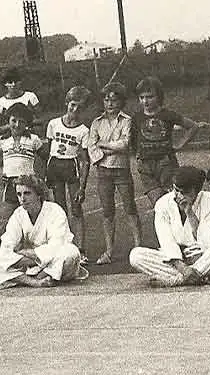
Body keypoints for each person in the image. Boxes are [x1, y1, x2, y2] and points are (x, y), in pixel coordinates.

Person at [130, 166, 210, 286]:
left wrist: (189, 212)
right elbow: (166, 241)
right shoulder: (163, 204)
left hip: (204, 256)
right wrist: (183, 267)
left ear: (197, 191)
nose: (179, 196)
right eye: (176, 190)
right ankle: (199, 275)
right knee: (136, 256)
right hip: (178, 260)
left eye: (184, 192)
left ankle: (176, 280)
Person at [0, 175, 87, 289]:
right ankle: (34, 282)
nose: (22, 199)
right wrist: (26, 259)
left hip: (54, 263)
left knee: (71, 252)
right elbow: (6, 247)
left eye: (27, 193)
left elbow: (56, 247)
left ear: (38, 195)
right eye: (19, 194)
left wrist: (28, 253)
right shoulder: (18, 214)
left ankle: (25, 278)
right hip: (27, 264)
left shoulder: (55, 211)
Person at [88, 81, 142, 264]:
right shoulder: (96, 122)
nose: (110, 103)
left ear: (121, 102)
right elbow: (91, 147)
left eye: (114, 100)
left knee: (130, 207)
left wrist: (105, 146)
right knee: (107, 211)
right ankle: (109, 251)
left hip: (121, 169)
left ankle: (138, 247)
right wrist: (109, 149)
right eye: (106, 99)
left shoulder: (126, 120)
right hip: (103, 171)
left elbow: (125, 144)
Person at [131, 76, 199, 206]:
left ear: (159, 97)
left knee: (174, 202)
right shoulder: (136, 118)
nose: (145, 101)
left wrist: (180, 144)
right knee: (159, 205)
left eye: (150, 97)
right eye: (142, 97)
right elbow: (133, 139)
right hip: (146, 166)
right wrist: (138, 156)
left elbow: (193, 126)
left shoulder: (168, 114)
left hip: (166, 164)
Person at [45, 86, 92, 265]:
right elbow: (47, 151)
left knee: (76, 209)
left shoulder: (83, 131)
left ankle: (81, 250)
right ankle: (63, 248)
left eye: (80, 107)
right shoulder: (53, 124)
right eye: (72, 105)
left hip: (71, 167)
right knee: (59, 209)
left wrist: (82, 186)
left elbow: (85, 160)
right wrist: (44, 175)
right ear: (67, 103)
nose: (75, 110)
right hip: (55, 167)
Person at [0, 103, 45, 232]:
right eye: (14, 121)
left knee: (33, 220)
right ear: (8, 121)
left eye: (22, 121)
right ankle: (7, 251)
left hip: (29, 183)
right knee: (9, 222)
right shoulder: (2, 140)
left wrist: (40, 177)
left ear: (27, 123)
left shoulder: (33, 139)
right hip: (10, 184)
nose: (17, 125)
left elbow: (45, 158)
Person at [0, 67, 40, 135]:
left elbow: (41, 119)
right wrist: (13, 125)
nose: (13, 85)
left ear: (20, 82)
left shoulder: (30, 96)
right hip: (10, 137)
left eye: (16, 81)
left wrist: (26, 123)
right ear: (5, 84)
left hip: (30, 134)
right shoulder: (0, 103)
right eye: (10, 82)